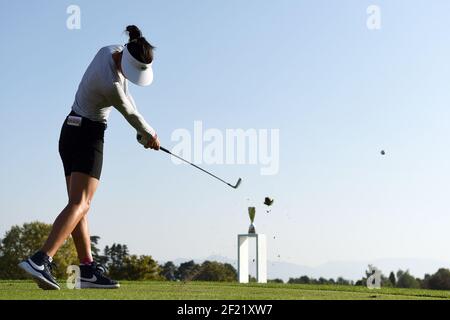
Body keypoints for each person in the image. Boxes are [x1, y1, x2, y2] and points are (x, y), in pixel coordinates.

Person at [18, 25, 160, 290]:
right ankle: (41, 259)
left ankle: (86, 270)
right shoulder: (110, 84)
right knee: (81, 203)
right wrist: (149, 134)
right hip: (88, 135)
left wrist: (142, 134)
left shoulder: (110, 51)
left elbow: (128, 99)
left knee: (77, 204)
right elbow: (128, 110)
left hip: (69, 132)